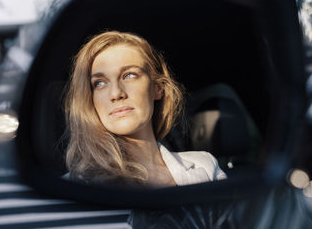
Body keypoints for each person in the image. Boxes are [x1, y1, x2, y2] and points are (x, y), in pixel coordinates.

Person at [64, 30, 226, 187]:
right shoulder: (71, 187)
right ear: (89, 98)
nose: (116, 93)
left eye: (129, 75)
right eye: (100, 83)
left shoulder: (205, 167)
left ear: (157, 88)